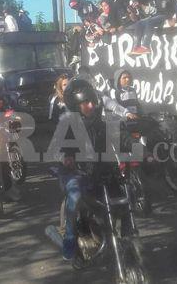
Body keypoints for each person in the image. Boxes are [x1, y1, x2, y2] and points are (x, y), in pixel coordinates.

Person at [54, 79, 109, 262]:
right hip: (76, 172)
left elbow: (121, 139)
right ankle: (69, 238)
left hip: (100, 171)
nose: (91, 105)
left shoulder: (102, 122)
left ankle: (126, 233)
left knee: (126, 194)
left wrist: (141, 151)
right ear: (76, 105)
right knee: (76, 195)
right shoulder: (67, 124)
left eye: (92, 101)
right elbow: (58, 148)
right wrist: (66, 157)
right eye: (86, 103)